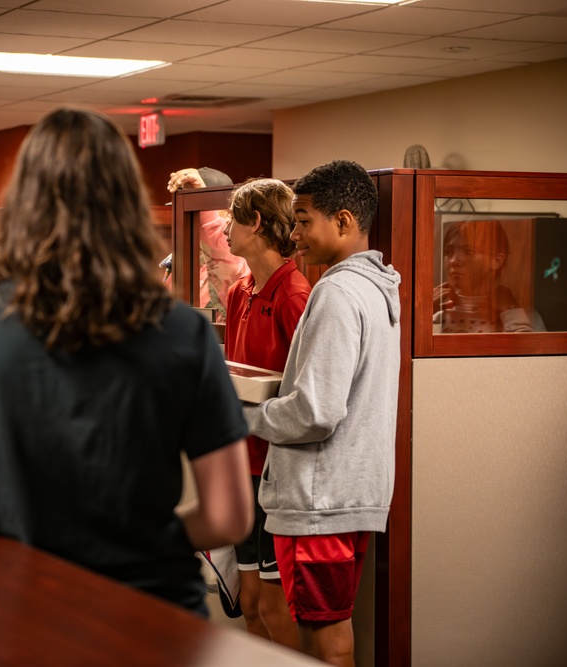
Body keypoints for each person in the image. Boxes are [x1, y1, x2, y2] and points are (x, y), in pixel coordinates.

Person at [0, 107, 254, 615]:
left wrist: (13, 508)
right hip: (154, 616)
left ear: (23, 203)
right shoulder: (182, 331)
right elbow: (227, 515)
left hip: (20, 610)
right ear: (126, 202)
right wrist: (131, 533)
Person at [242, 160, 401, 667]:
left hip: (319, 503)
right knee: (329, 633)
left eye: (305, 219)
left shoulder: (335, 292)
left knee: (323, 643)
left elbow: (315, 412)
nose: (296, 234)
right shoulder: (376, 287)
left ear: (345, 221)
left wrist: (242, 417)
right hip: (348, 496)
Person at [223, 178, 311, 648]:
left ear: (255, 223)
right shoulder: (240, 291)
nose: (224, 232)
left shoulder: (294, 295)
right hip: (241, 465)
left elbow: (308, 395)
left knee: (277, 608)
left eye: (232, 220)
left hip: (277, 472)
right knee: (251, 601)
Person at [165, 167, 247, 321]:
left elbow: (216, 236)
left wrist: (201, 201)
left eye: (196, 214)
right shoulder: (183, 257)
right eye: (182, 212)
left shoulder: (237, 253)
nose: (188, 220)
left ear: (228, 214)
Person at [433, 219, 534, 333]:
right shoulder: (439, 306)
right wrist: (423, 311)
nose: (453, 261)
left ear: (497, 261)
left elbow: (525, 347)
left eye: (468, 251)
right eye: (448, 252)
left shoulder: (509, 309)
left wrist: (510, 309)